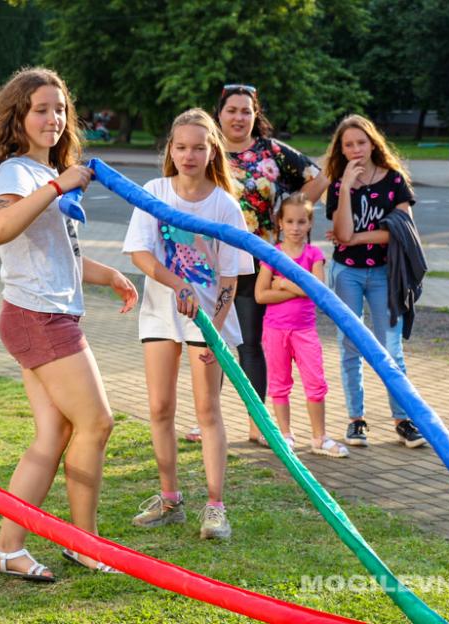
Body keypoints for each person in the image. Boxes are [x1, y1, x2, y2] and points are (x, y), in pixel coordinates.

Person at [0, 67, 137, 580]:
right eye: (41, 109)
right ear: (18, 116)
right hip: (38, 318)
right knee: (97, 422)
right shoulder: (18, 173)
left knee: (55, 433)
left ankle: (7, 548)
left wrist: (107, 274)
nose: (53, 118)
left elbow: (53, 253)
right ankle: (85, 544)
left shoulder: (43, 174)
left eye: (60, 109)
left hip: (42, 314)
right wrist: (56, 185)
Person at [124, 108, 252, 540]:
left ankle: (215, 508)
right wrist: (177, 283)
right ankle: (170, 500)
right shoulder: (155, 192)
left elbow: (231, 276)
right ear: (170, 150)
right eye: (181, 147)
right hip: (162, 314)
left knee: (208, 411)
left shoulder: (224, 205)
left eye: (198, 147)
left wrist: (213, 330)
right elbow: (141, 254)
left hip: (208, 319)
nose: (189, 155)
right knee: (160, 408)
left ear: (212, 150)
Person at [214, 84, 328, 445]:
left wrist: (287, 216)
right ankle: (207, 419)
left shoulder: (272, 152)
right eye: (232, 110)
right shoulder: (209, 151)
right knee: (209, 342)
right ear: (220, 113)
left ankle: (257, 423)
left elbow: (318, 178)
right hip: (214, 261)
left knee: (250, 345)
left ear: (255, 115)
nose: (238, 117)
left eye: (246, 111)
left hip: (257, 264)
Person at [323, 114, 426, 449]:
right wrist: (347, 191)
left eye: (361, 142)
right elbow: (340, 232)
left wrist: (355, 238)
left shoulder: (394, 181)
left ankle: (402, 419)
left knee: (391, 348)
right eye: (348, 144)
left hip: (385, 273)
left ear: (372, 143)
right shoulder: (340, 184)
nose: (355, 150)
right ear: (341, 149)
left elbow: (402, 232)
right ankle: (356, 420)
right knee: (350, 345)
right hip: (346, 273)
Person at [254, 194, 348, 458]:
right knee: (279, 384)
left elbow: (318, 291)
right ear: (280, 223)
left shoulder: (313, 254)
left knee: (316, 383)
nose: (296, 227)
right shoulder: (272, 255)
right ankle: (285, 435)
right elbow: (261, 295)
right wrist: (300, 288)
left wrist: (282, 284)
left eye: (302, 221)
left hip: (305, 331)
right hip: (274, 330)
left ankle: (320, 437)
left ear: (309, 224)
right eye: (290, 221)